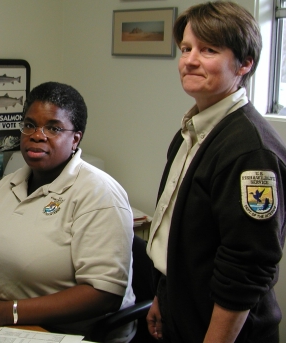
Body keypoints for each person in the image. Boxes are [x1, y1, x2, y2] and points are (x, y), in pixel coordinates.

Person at [0, 81, 135, 341]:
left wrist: (5, 313)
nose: (37, 135)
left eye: (53, 128)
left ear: (75, 139)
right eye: (29, 125)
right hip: (4, 326)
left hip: (68, 334)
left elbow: (104, 294)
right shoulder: (8, 184)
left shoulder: (98, 193)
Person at [146, 2, 286, 342]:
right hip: (180, 308)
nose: (190, 60)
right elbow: (179, 234)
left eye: (208, 50)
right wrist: (162, 296)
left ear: (245, 63)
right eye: (186, 49)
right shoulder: (194, 130)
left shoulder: (250, 150)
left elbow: (248, 265)